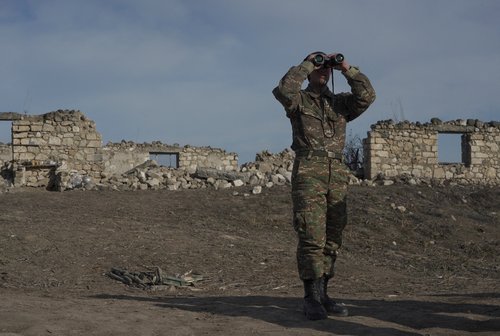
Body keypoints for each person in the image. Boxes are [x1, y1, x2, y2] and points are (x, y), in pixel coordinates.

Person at [272, 51, 376, 320]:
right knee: (311, 236)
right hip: (309, 173)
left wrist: (345, 68)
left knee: (333, 238)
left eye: (325, 67)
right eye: (319, 66)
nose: (322, 70)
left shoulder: (340, 104)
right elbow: (284, 90)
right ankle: (311, 297)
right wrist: (308, 63)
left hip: (337, 175)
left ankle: (324, 293)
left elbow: (367, 96)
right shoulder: (299, 100)